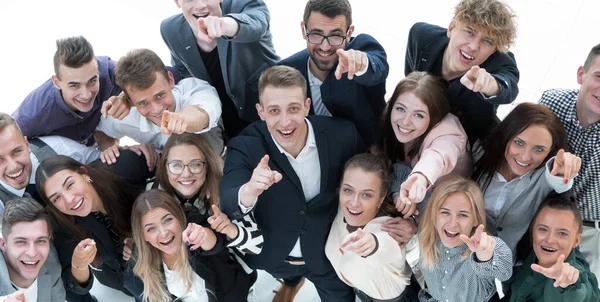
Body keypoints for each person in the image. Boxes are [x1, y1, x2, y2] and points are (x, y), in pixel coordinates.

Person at [219, 65, 365, 301]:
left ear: (307, 106)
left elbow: (368, 181)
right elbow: (228, 199)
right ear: (260, 111)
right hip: (274, 256)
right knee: (287, 275)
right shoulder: (245, 145)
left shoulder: (344, 135)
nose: (285, 122)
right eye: (274, 110)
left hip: (326, 256)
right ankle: (291, 282)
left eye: (293, 109)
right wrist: (251, 189)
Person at [145, 132, 259, 300]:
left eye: (196, 164)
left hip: (232, 276)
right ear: (165, 166)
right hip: (187, 278)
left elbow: (256, 247)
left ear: (207, 165)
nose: (186, 174)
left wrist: (230, 228)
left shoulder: (226, 192)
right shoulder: (153, 194)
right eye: (176, 165)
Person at [12, 36, 180, 146]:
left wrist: (126, 96)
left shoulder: (111, 72)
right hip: (58, 157)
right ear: (57, 82)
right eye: (74, 85)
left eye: (92, 81)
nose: (86, 94)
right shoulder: (32, 115)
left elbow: (169, 75)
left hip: (101, 147)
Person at [472, 103, 581, 256]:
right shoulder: (480, 156)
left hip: (508, 265)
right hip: (465, 254)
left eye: (539, 149)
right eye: (519, 143)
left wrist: (563, 171)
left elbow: (557, 181)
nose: (525, 157)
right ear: (507, 136)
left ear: (550, 151)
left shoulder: (543, 177)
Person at [405, 0, 518, 144]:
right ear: (452, 28)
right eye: (469, 32)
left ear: (494, 50)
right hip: (416, 121)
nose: (473, 46)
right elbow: (410, 80)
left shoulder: (502, 62)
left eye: (488, 41)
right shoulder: (421, 36)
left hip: (464, 139)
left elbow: (509, 88)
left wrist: (491, 86)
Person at [161, 0, 279, 138]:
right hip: (220, 124)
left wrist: (225, 25)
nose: (200, 6)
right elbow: (183, 74)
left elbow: (257, 23)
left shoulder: (242, 4)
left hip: (266, 113)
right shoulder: (170, 29)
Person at [278, 0, 388, 146]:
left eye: (335, 36)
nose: (325, 46)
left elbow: (378, 67)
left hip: (366, 156)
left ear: (349, 33)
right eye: (316, 34)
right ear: (304, 30)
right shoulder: (286, 69)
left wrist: (362, 64)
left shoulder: (361, 48)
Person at [95, 48, 225, 172]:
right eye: (143, 103)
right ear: (130, 101)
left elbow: (202, 113)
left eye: (159, 95)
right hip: (171, 176)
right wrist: (112, 148)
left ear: (171, 80)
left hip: (220, 164)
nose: (157, 109)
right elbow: (100, 130)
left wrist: (182, 119)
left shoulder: (196, 89)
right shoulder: (125, 115)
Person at [35, 155, 144, 302]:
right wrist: (79, 265)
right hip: (127, 280)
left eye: (70, 185)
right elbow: (71, 285)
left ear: (84, 173)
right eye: (56, 198)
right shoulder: (62, 224)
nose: (69, 199)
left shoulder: (123, 169)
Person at [539, 43, 600, 279]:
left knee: (581, 289)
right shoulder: (551, 104)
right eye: (598, 76)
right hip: (543, 218)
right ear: (581, 75)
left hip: (589, 230)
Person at [325, 153, 415, 301]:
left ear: (381, 198)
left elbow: (384, 244)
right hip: (362, 294)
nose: (354, 203)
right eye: (348, 190)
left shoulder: (388, 229)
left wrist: (371, 244)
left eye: (366, 195)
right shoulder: (342, 209)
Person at [381, 72, 471, 218]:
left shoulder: (449, 133)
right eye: (400, 109)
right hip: (413, 204)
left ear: (435, 116)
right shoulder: (389, 123)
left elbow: (438, 156)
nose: (405, 121)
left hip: (447, 214)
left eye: (418, 115)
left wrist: (420, 178)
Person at [418, 176, 512, 302]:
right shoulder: (429, 238)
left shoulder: (483, 245)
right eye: (445, 212)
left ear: (476, 219)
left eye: (463, 215)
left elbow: (504, 272)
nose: (452, 224)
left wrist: (484, 256)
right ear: (434, 214)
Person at [503, 194, 600, 301]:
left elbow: (582, 294)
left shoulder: (577, 272)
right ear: (532, 230)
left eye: (562, 233)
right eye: (543, 229)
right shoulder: (527, 258)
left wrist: (565, 284)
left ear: (576, 240)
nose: (550, 239)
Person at [0, 113, 100, 210]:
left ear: (27, 144)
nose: (13, 167)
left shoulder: (56, 148)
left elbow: (101, 164)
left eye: (17, 152)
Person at [0, 197, 65, 302]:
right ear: (3, 244)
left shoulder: (52, 266)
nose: (32, 253)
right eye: (21, 242)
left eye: (40, 241)